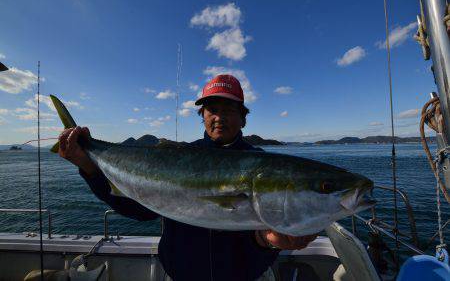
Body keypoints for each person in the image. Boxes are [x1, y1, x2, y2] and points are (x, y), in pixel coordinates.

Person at [58, 74, 317, 280]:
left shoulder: (266, 166)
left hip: (248, 275)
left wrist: (269, 242)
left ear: (243, 118)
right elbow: (142, 210)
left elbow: (263, 235)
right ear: (202, 116)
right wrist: (89, 167)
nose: (219, 117)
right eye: (212, 109)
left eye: (229, 109)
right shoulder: (178, 158)